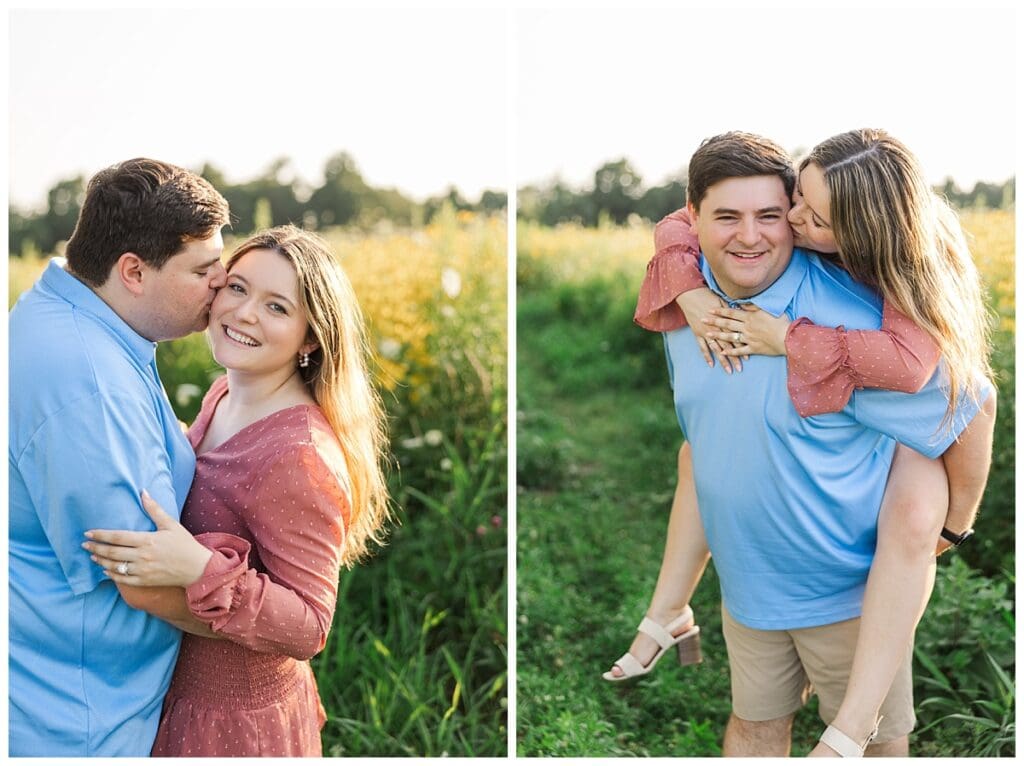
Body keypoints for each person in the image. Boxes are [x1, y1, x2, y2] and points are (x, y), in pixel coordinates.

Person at [606, 132, 993, 756]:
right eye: (726, 216)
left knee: (868, 746)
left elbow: (973, 403)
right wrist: (692, 289)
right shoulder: (684, 300)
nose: (756, 234)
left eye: (775, 215)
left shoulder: (868, 325)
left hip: (851, 597)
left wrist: (951, 527)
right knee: (755, 729)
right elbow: (704, 447)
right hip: (749, 590)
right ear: (694, 214)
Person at [81, 225, 391, 757]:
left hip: (232, 724)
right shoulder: (226, 391)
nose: (245, 313)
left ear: (311, 337)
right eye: (238, 288)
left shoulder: (300, 455)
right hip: (175, 688)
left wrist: (198, 568)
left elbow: (310, 628)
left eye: (277, 307)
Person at [9, 158, 230, 756]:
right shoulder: (87, 379)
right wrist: (281, 628)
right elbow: (141, 576)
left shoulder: (72, 316)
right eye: (204, 269)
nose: (221, 285)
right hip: (80, 720)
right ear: (133, 270)